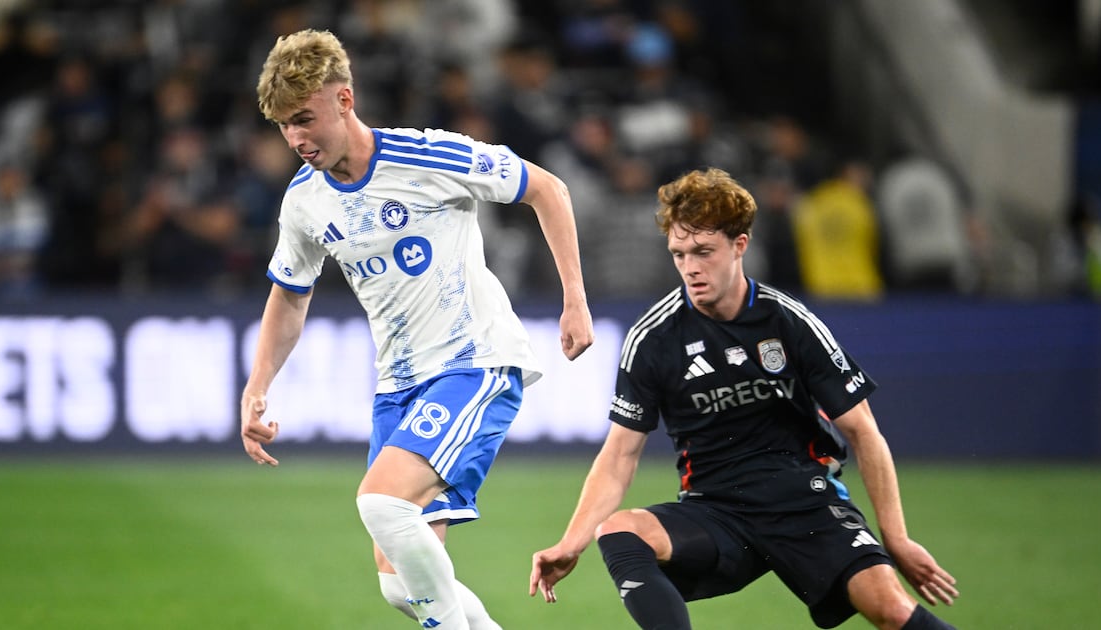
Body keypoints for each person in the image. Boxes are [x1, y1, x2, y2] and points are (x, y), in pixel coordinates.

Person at [240, 29, 594, 629]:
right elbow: (290, 296)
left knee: (382, 503)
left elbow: (547, 190)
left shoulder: (427, 157)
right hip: (398, 387)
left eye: (304, 119)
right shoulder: (304, 201)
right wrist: (258, 385)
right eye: (283, 126)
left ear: (344, 100)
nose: (296, 138)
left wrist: (575, 301)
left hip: (473, 363)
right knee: (401, 585)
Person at [529, 168, 958, 629]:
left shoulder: (787, 321)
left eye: (703, 252)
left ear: (740, 245)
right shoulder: (654, 338)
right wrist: (570, 542)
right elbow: (619, 456)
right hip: (716, 512)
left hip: (805, 502)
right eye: (679, 254)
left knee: (891, 610)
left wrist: (896, 538)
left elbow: (863, 431)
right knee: (618, 530)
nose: (690, 267)